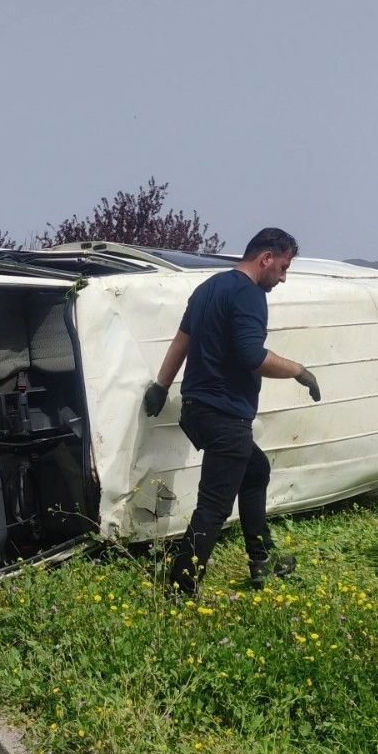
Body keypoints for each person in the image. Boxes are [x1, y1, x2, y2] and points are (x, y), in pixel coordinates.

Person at [142, 227, 321, 594]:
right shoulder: (249, 294)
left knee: (256, 470)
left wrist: (161, 386)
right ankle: (180, 586)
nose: (283, 278)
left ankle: (262, 559)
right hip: (225, 417)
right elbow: (252, 356)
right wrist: (299, 371)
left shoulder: (208, 289)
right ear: (266, 258)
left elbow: (182, 341)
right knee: (214, 505)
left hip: (196, 412)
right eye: (283, 267)